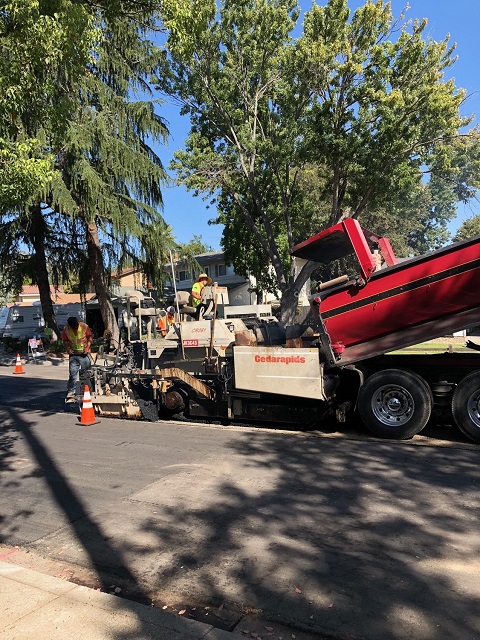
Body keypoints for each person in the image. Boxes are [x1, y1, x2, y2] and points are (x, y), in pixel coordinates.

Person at [61, 316, 93, 402]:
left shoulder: (84, 327)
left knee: (87, 373)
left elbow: (90, 338)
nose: (75, 327)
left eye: (76, 325)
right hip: (74, 355)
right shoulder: (66, 329)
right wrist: (68, 349)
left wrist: (87, 348)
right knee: (72, 375)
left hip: (84, 354)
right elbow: (65, 340)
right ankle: (71, 392)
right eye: (73, 326)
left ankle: (88, 391)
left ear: (77, 322)